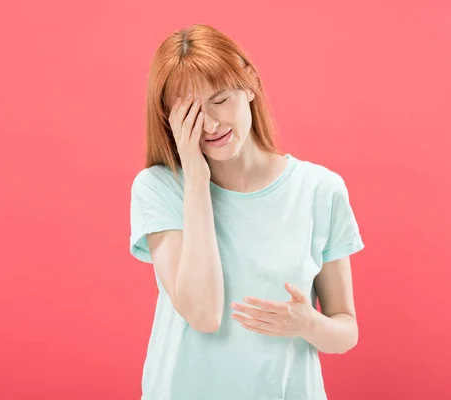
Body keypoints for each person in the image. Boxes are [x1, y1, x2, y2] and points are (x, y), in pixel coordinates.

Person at [129, 24, 365, 400]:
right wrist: (195, 179)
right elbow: (203, 314)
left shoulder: (320, 190)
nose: (210, 124)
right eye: (190, 113)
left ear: (249, 82)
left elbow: (345, 331)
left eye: (220, 100)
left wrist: (307, 323)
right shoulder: (159, 188)